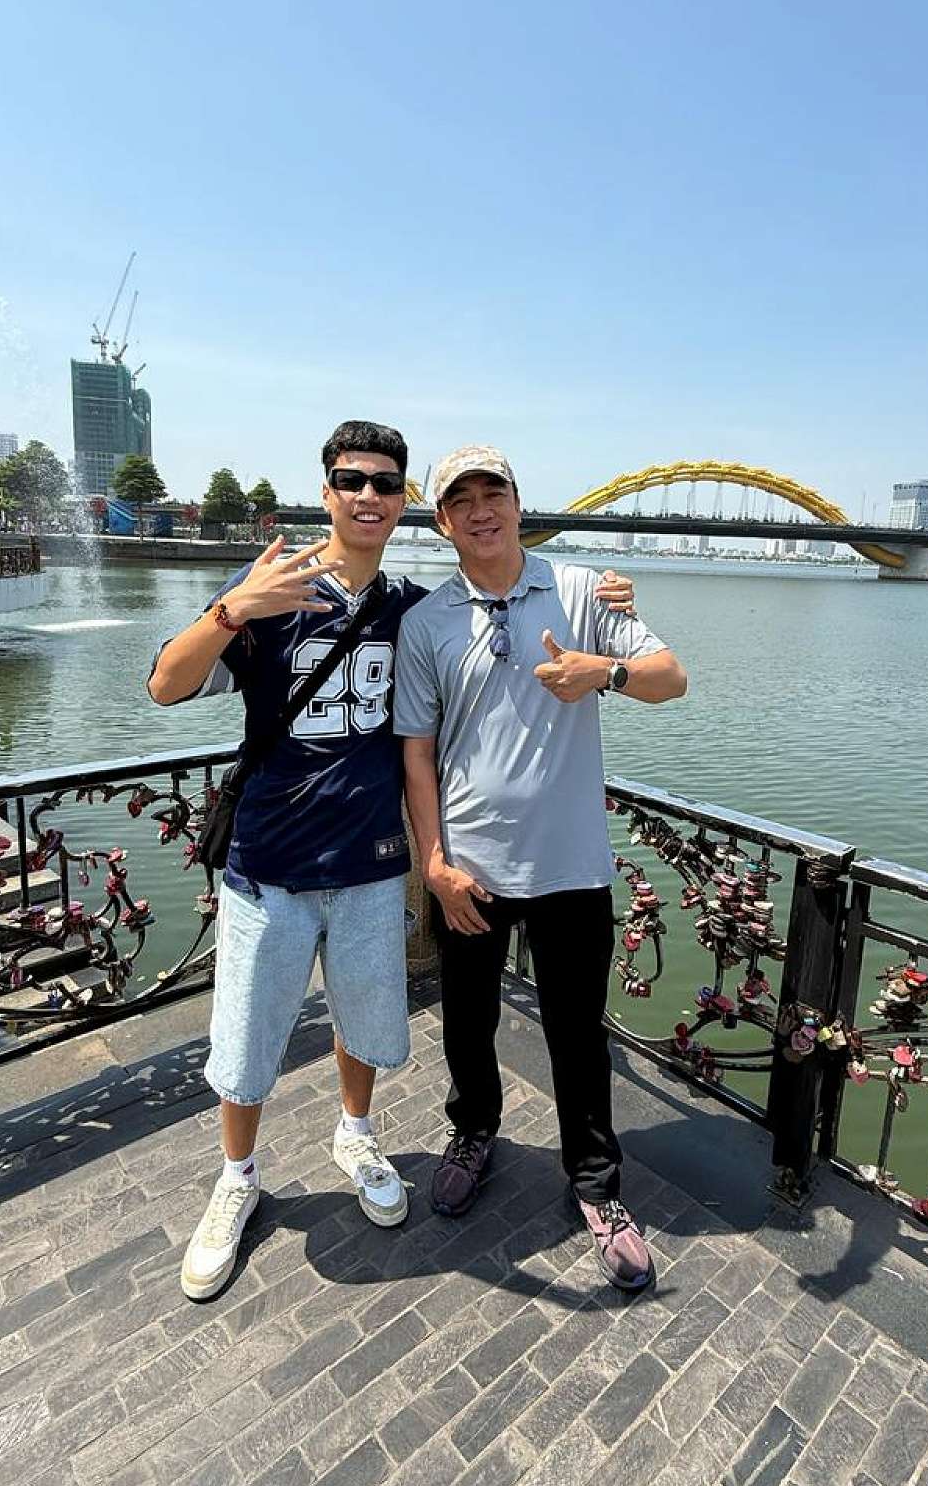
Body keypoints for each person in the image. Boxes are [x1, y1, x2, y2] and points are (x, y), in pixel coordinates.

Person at [148, 423, 639, 1306]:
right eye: (352, 480)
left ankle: (358, 1134)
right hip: (269, 860)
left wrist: (610, 617)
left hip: (372, 864)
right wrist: (232, 610)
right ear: (327, 493)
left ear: (406, 503)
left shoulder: (412, 609)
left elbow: (443, 706)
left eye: (384, 483)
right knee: (248, 1042)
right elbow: (164, 686)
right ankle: (237, 1180)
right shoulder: (272, 591)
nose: (368, 496)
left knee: (365, 1023)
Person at [395, 445, 688, 1291]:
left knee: (576, 1032)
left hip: (571, 867)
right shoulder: (427, 622)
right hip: (472, 869)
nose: (480, 511)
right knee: (467, 1022)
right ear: (442, 521)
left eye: (495, 493)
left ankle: (596, 1183)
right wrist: (435, 864)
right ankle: (473, 1131)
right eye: (461, 500)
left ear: (520, 504)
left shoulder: (585, 592)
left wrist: (608, 671)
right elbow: (417, 754)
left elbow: (672, 679)